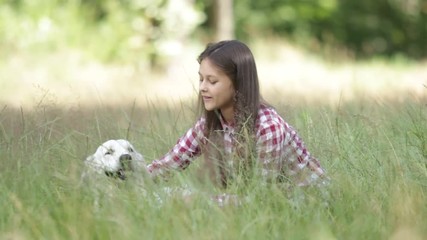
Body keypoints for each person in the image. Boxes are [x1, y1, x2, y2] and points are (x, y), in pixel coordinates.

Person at [147, 40, 327, 189]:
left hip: (308, 204)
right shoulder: (209, 124)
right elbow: (167, 166)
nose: (202, 87)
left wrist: (200, 201)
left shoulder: (267, 127)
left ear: (238, 83)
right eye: (201, 79)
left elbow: (261, 198)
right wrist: (126, 178)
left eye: (212, 81)